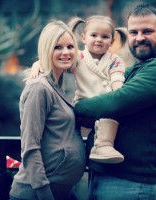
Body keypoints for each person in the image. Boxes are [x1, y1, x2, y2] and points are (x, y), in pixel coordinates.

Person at [74, 3, 156, 200]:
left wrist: (76, 109)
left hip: (129, 184)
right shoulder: (136, 69)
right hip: (107, 175)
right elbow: (100, 89)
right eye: (133, 32)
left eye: (147, 31)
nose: (139, 37)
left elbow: (114, 103)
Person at [32, 15, 128, 164]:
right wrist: (38, 64)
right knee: (70, 125)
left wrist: (117, 95)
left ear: (112, 41)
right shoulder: (78, 57)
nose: (98, 39)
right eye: (94, 35)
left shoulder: (115, 60)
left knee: (111, 117)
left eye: (105, 36)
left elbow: (117, 79)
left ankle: (103, 146)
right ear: (83, 38)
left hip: (106, 104)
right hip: (83, 104)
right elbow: (59, 62)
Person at [9, 20, 86, 200]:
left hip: (63, 192)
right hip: (36, 194)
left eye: (70, 46)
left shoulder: (57, 85)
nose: (66, 52)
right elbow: (30, 147)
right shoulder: (39, 88)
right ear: (47, 49)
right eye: (57, 47)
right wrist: (44, 194)